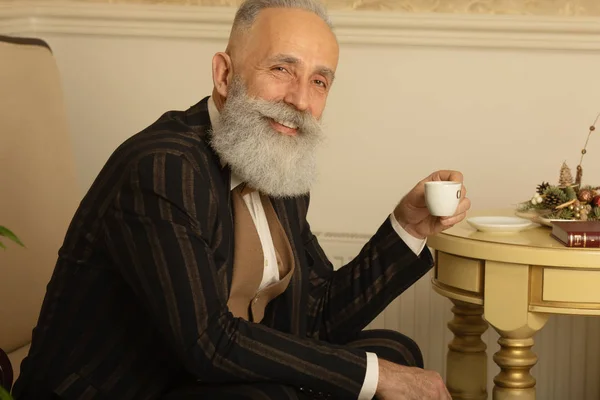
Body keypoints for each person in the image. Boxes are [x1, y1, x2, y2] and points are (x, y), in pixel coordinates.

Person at [12, 0, 470, 399]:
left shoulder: (274, 160)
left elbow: (318, 318)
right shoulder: (162, 167)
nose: (300, 100)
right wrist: (377, 379)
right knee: (297, 391)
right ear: (225, 74)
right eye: (282, 69)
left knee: (395, 351)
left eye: (319, 82)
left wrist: (407, 228)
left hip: (204, 379)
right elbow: (208, 342)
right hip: (130, 387)